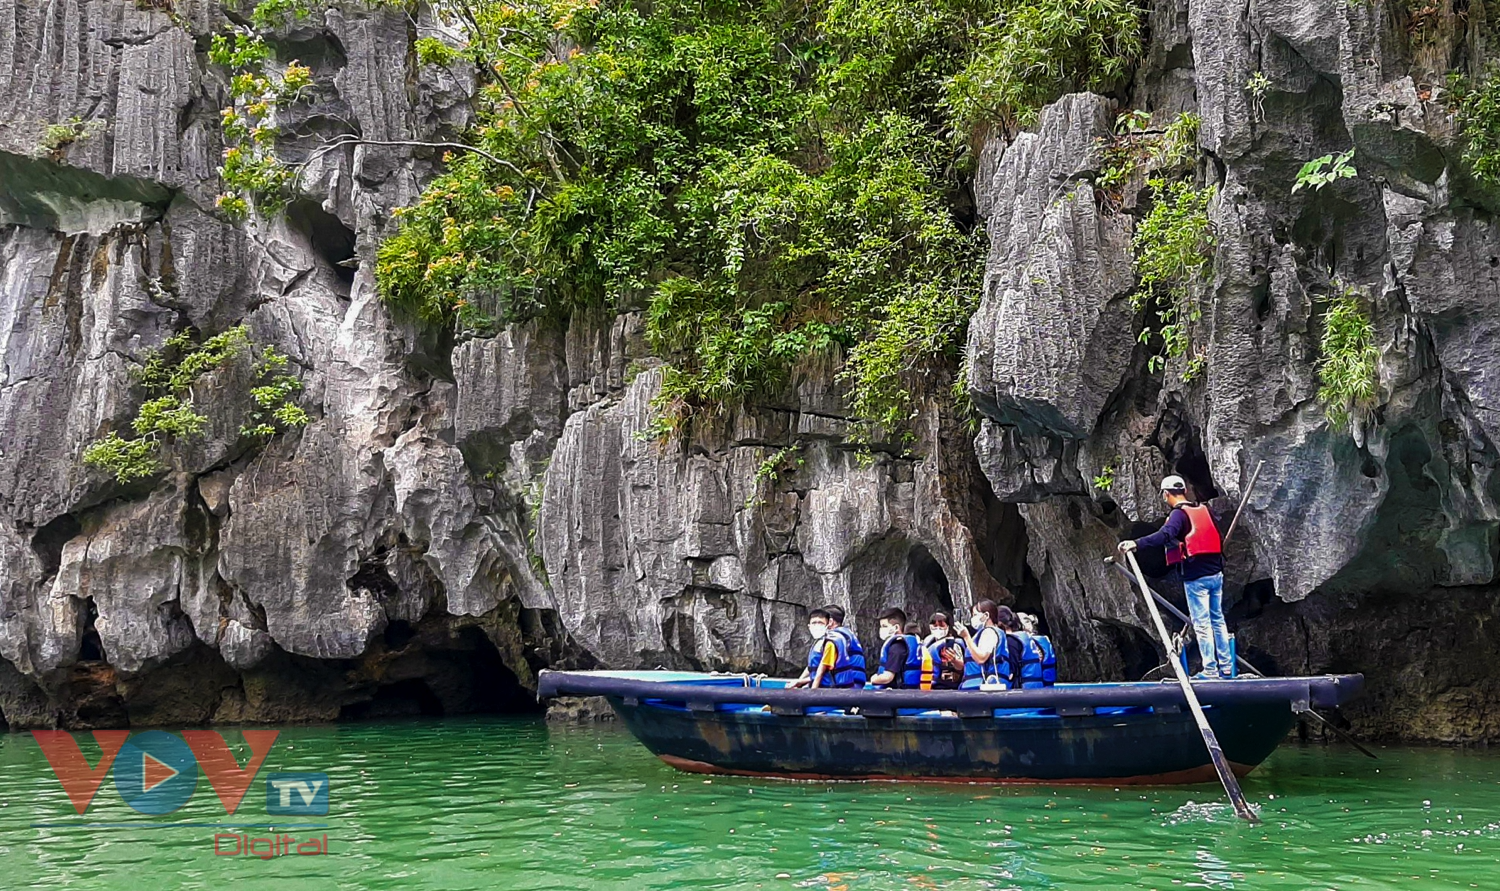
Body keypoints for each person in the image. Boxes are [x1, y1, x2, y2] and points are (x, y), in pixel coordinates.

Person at [1119, 474, 1232, 680]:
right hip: (1216, 573)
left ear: (1166, 494)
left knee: (1202, 623)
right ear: (1184, 491)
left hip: (1196, 576)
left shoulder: (1179, 515)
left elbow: (1165, 535)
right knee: (1217, 619)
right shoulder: (1205, 509)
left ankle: (1210, 670)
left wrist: (1136, 543)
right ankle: (1226, 667)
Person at [789, 608, 866, 688]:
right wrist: (799, 681)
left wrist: (810, 689)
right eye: (814, 623)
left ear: (830, 622)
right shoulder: (843, 634)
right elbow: (815, 666)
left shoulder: (834, 639)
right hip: (848, 684)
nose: (817, 625)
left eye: (820, 621)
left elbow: (823, 669)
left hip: (847, 686)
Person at [867, 608, 934, 689]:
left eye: (884, 626)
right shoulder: (913, 641)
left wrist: (873, 679)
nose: (881, 629)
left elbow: (887, 677)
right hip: (913, 692)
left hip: (899, 694)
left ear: (895, 628)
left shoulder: (897, 646)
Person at [954, 600, 1011, 689]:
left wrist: (966, 637)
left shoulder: (989, 632)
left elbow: (981, 658)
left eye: (975, 615)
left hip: (985, 688)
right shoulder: (997, 632)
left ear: (986, 616)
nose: (973, 618)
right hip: (986, 687)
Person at [1001, 608, 1046, 689]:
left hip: (1023, 690)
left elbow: (1011, 673)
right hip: (1037, 686)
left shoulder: (1011, 641)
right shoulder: (1026, 637)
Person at [924, 612, 965, 690]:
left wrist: (954, 660)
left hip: (950, 687)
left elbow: (962, 667)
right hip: (931, 686)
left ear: (948, 627)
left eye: (942, 626)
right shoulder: (927, 642)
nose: (938, 628)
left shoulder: (953, 644)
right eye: (935, 626)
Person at [1018, 612, 1057, 686]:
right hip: (1048, 682)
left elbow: (1038, 659)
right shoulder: (1044, 639)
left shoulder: (1031, 642)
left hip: (1038, 683)